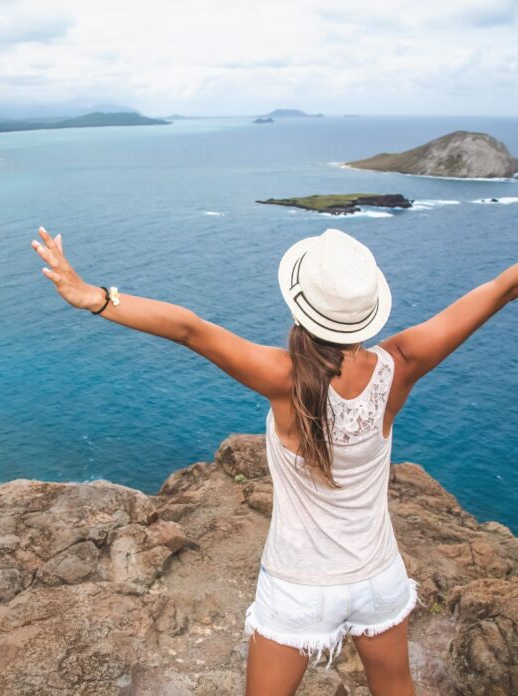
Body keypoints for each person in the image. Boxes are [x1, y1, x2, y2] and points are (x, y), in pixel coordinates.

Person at [31, 226, 517, 696]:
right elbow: (496, 292)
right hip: (378, 578)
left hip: (298, 588)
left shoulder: (284, 377)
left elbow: (190, 331)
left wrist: (93, 296)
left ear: (304, 304)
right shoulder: (402, 362)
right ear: (367, 309)